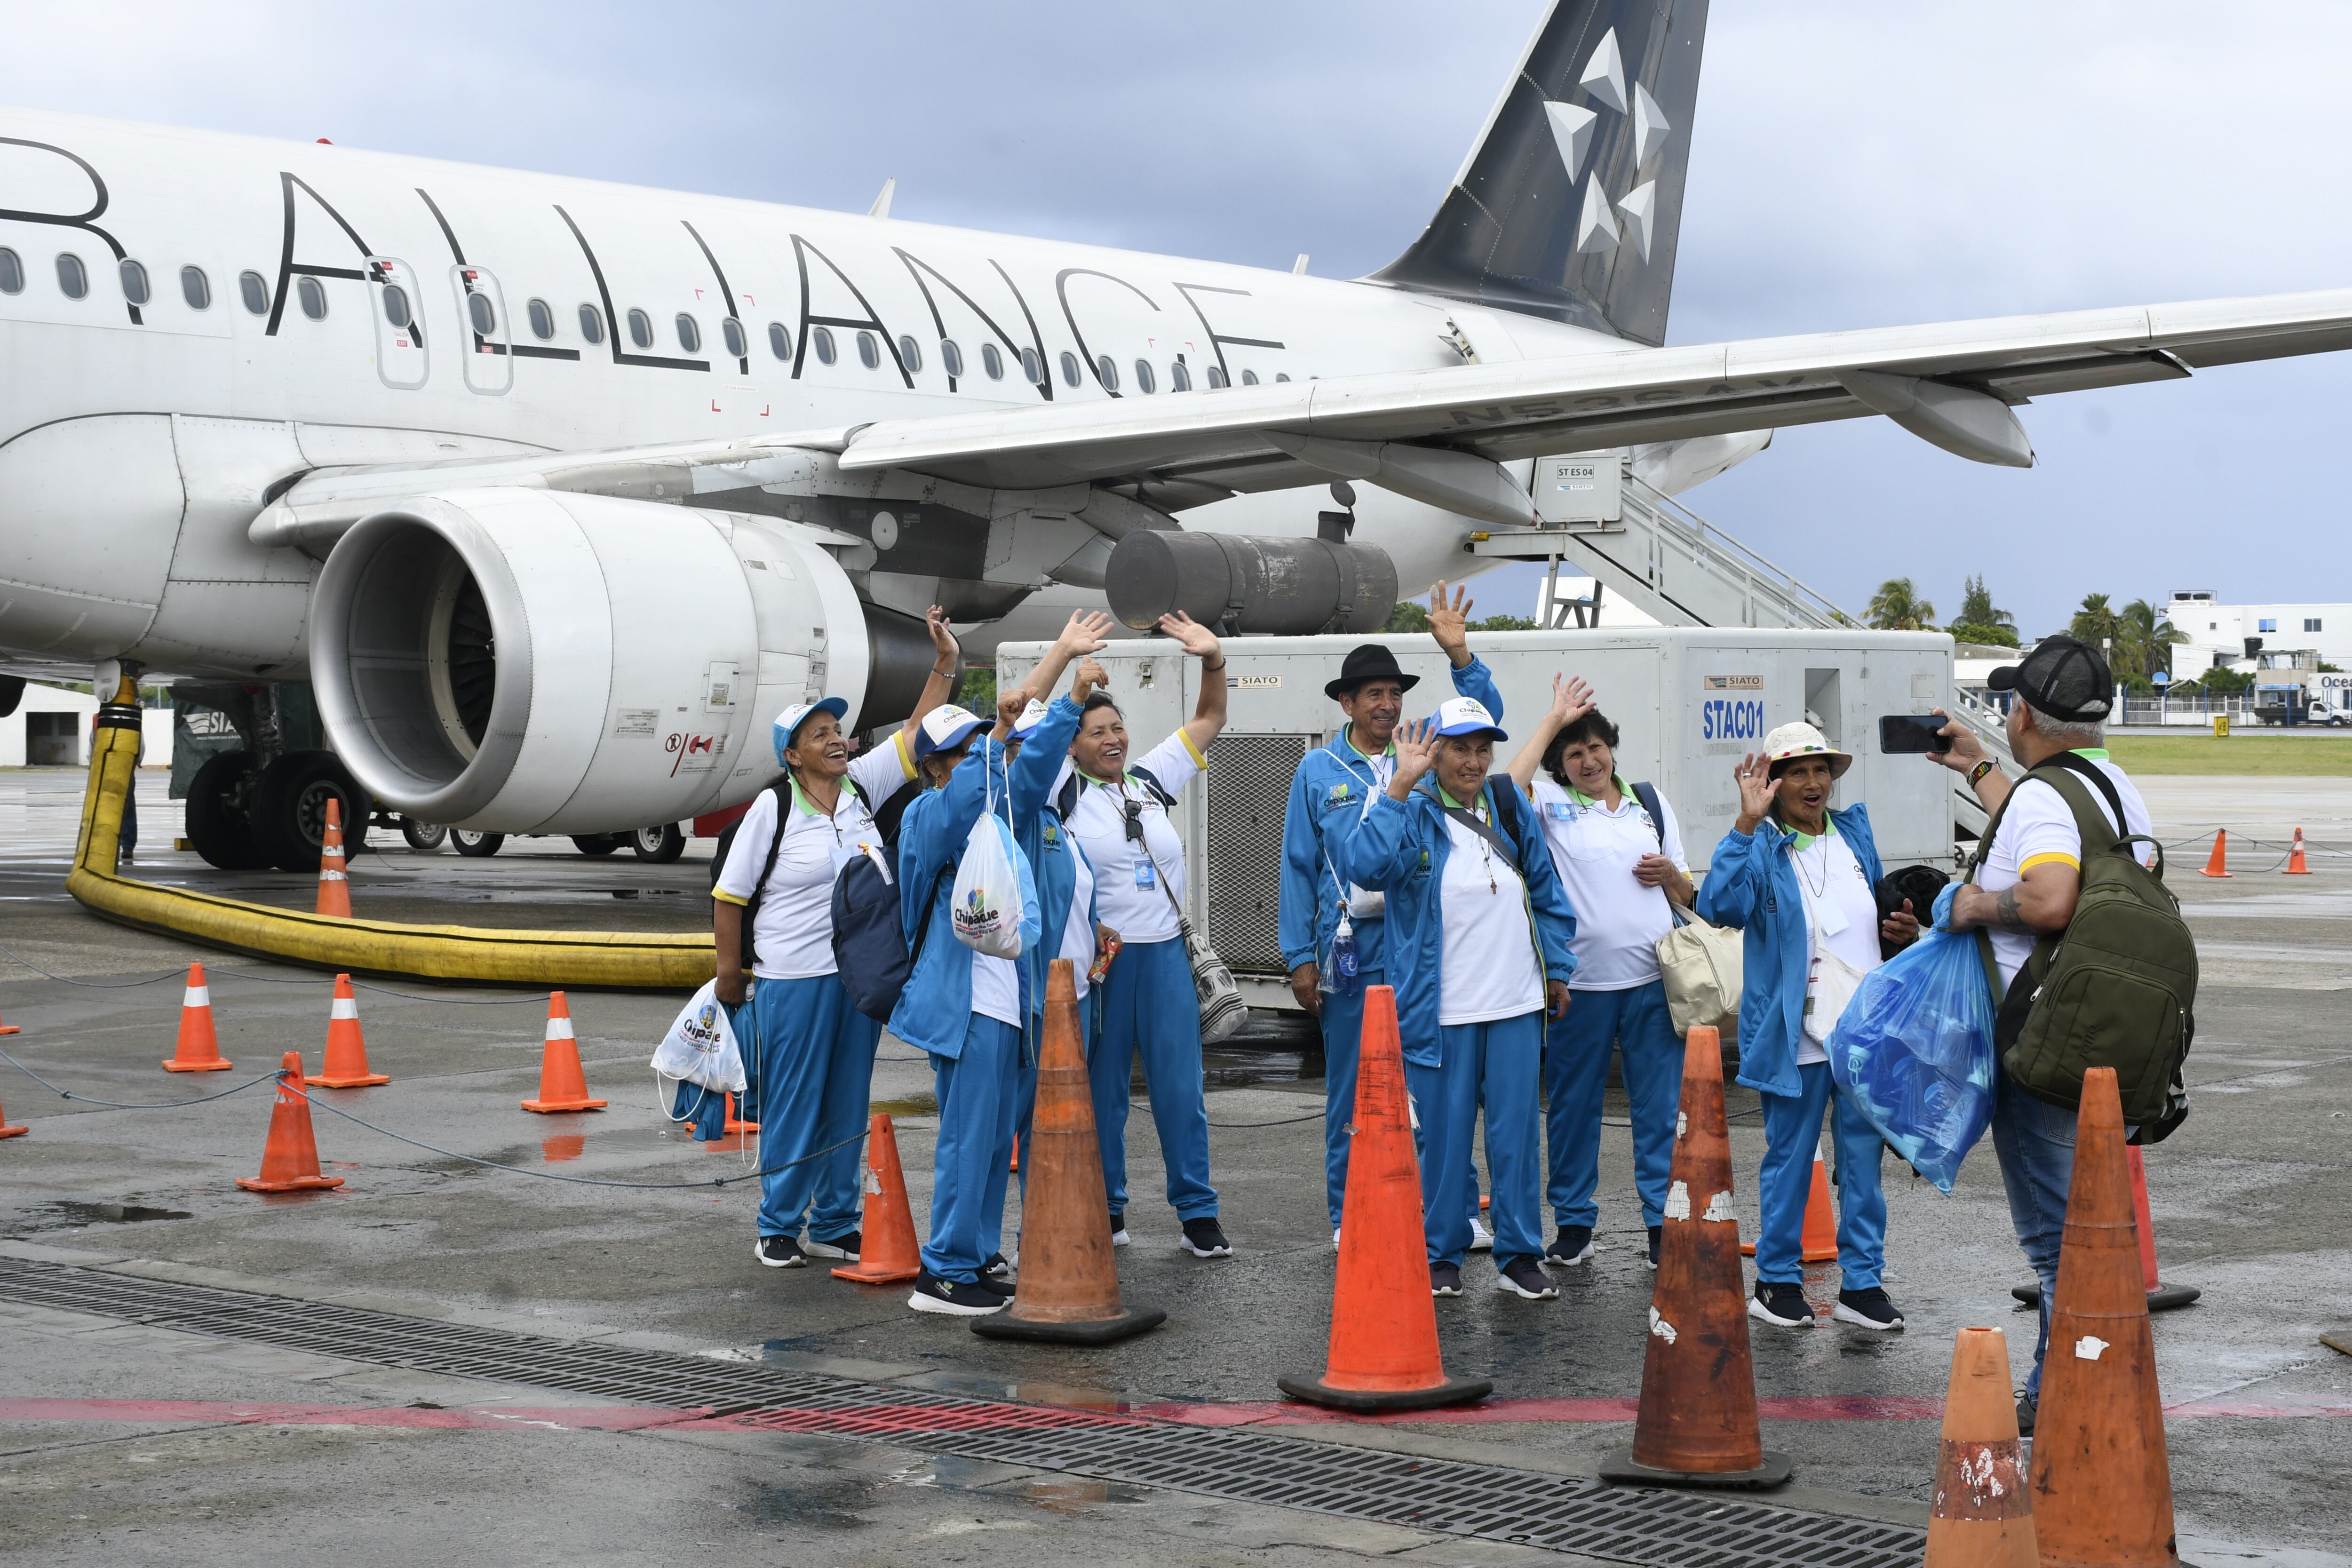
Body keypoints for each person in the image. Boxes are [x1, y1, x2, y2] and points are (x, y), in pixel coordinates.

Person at [1927, 635, 2153, 1433]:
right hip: (2104, 1032)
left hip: (2040, 1038)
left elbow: (2051, 894)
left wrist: (1974, 907)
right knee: (2087, 1223)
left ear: (2022, 710)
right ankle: (2094, 1377)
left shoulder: (2043, 800)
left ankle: (2067, 1393)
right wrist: (1980, 770)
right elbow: (2048, 824)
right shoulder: (2112, 785)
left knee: (2061, 1241)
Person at [713, 606, 960, 1271]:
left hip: (858, 978)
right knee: (795, 1102)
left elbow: (915, 735)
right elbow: (730, 897)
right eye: (819, 733)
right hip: (792, 979)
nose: (836, 738)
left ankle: (837, 1220)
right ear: (792, 755)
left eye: (838, 729)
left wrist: (943, 664)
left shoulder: (860, 789)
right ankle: (778, 1224)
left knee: (848, 1099)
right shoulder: (774, 805)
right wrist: (731, 977)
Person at [1278, 583, 1506, 1248]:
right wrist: (1298, 957)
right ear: (1346, 704)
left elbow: (1483, 718)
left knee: (1438, 1081)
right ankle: (1352, 1214)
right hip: (1351, 951)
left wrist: (1461, 656)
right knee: (1355, 1088)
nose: (1387, 704)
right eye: (1372, 694)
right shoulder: (1318, 770)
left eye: (1394, 692)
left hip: (1426, 946)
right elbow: (1298, 865)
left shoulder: (1427, 750)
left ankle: (1455, 1208)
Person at [1340, 699, 1578, 1301]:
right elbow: (1365, 868)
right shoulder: (1409, 811)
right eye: (1458, 749)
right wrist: (1399, 783)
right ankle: (1439, 1252)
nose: (1472, 761)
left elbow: (1547, 895)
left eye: (1481, 749)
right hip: (1437, 1009)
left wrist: (1556, 971)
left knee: (1516, 1138)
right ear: (1435, 753)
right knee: (1442, 1141)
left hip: (1516, 1002)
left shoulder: (1507, 805)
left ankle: (1518, 1254)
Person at [1697, 722, 1921, 1333]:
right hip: (1796, 1036)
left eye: (1821, 769)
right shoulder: (1763, 847)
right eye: (1796, 771)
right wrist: (1745, 825)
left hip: (1863, 1033)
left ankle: (1864, 1284)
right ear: (1772, 782)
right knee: (1791, 1160)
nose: (1812, 782)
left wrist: (1898, 931)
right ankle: (1776, 1283)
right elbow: (1718, 905)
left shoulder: (1854, 834)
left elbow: (1873, 919)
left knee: (1861, 1165)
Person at [1055, 611, 1233, 1259]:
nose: (1112, 738)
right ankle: (1107, 1209)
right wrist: (1071, 688)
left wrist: (1211, 660)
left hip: (1163, 958)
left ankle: (1198, 1212)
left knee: (1181, 1092)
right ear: (1073, 744)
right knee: (1103, 1098)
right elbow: (1032, 738)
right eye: (1096, 731)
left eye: (1117, 726)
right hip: (1103, 964)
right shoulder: (1061, 791)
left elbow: (1209, 721)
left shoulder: (1151, 780)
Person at [1504, 676, 1694, 1272]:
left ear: (1612, 747)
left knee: (1660, 1110)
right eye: (1574, 754)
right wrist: (1550, 719)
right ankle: (1573, 1225)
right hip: (1578, 985)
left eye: (1594, 748)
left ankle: (1661, 1227)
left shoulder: (1649, 802)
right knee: (1571, 1107)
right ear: (1560, 766)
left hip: (1652, 982)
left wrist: (1669, 875)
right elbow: (1504, 790)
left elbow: (1691, 893)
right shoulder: (1549, 804)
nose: (1588, 761)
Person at [888, 695, 1032, 1316]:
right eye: (965, 753)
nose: (983, 759)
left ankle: (975, 1256)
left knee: (996, 1141)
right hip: (963, 1006)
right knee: (966, 1141)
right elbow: (976, 784)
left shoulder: (992, 824)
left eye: (985, 747)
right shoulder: (928, 817)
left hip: (1003, 1005)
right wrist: (998, 733)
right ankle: (943, 1273)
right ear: (937, 769)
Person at [981, 619, 1117, 1275]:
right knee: (1003, 1126)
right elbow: (1028, 751)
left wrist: (1096, 935)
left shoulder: (1054, 820)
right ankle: (974, 1252)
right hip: (1029, 999)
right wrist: (1064, 663)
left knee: (1055, 1128)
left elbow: (1070, 898)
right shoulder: (1011, 802)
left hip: (1071, 993)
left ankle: (1041, 1238)